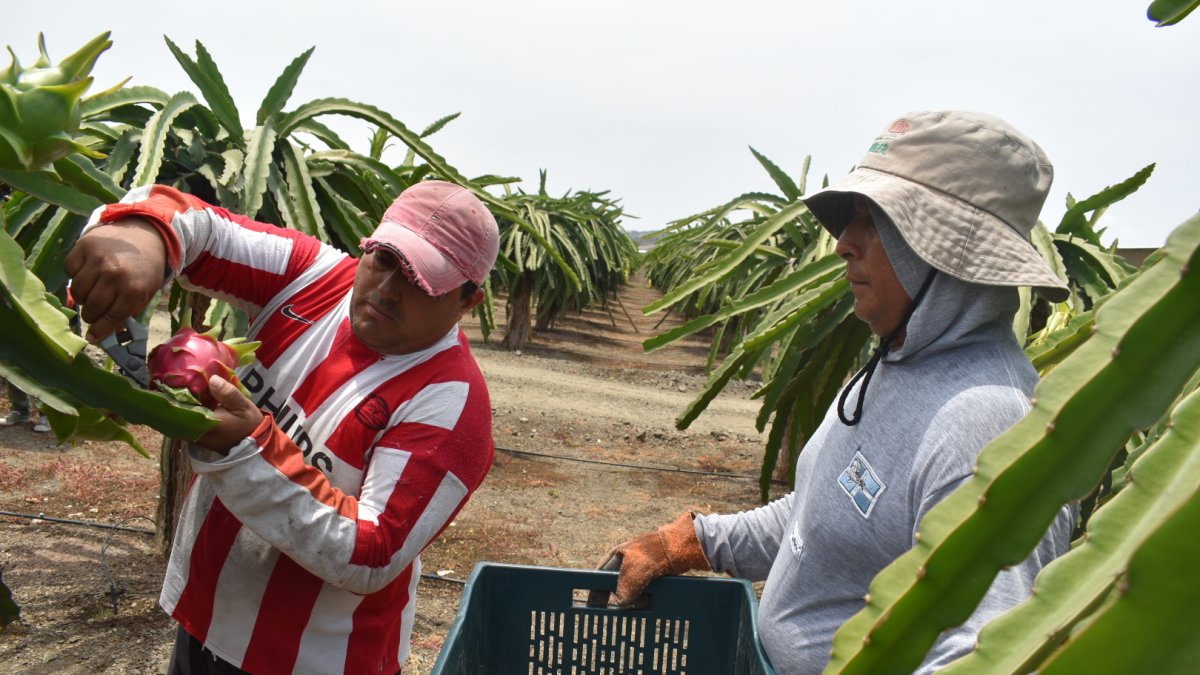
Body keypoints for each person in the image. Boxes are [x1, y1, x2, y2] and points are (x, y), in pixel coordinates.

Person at [598, 110, 1079, 673]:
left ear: (951, 252)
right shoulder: (893, 363)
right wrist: (695, 541)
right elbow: (817, 522)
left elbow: (978, 656)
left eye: (874, 220)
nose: (842, 245)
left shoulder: (987, 425)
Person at [64, 180, 499, 674]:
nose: (386, 290)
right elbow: (201, 227)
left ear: (469, 302)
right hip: (205, 614)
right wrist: (145, 236)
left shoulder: (453, 404)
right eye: (383, 259)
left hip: (315, 659)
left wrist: (249, 446)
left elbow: (372, 553)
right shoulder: (313, 276)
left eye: (420, 283)